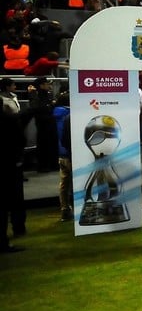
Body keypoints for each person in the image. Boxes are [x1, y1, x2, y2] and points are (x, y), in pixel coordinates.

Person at [0, 105, 26, 252]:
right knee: (14, 200)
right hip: (9, 167)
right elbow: (21, 140)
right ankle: (17, 228)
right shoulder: (9, 119)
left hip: (9, 166)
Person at [53, 91, 72, 221]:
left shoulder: (55, 113)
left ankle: (65, 210)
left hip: (61, 152)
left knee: (64, 183)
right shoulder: (71, 116)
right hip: (71, 153)